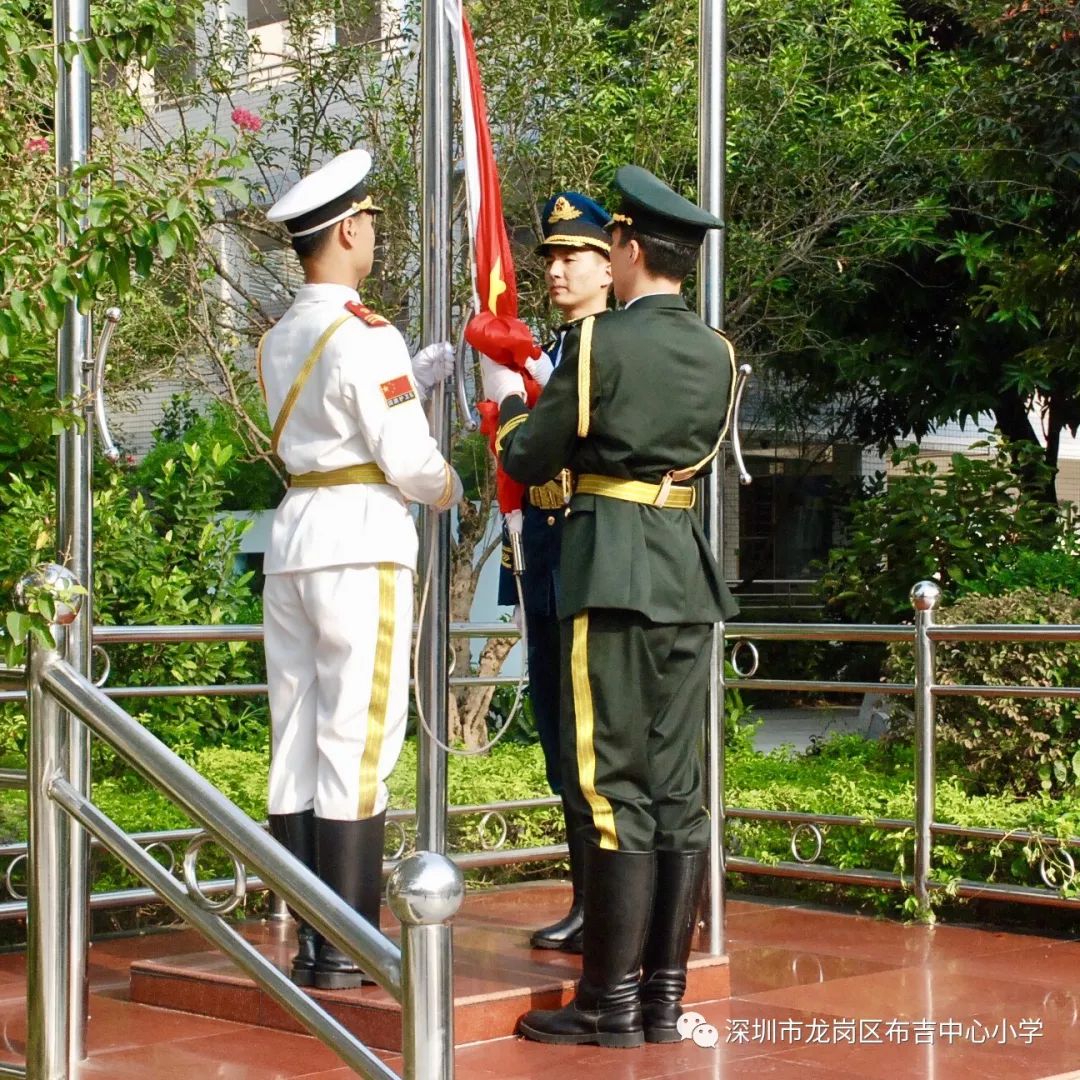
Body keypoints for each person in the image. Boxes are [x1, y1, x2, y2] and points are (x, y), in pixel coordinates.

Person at [481, 164, 738, 1048]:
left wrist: (513, 407)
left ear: (627, 248)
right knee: (678, 791)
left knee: (607, 785)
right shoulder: (719, 352)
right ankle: (662, 1001)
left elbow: (528, 455)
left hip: (612, 568)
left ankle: (606, 1004)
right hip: (685, 568)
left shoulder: (599, 346)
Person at [259, 148, 462, 989]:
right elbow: (409, 463)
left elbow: (331, 421)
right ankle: (346, 947)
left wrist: (404, 384)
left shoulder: (281, 335)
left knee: (298, 740)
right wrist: (451, 485)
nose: (375, 231)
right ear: (346, 230)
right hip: (361, 541)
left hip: (295, 538)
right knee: (359, 741)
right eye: (371, 220)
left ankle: (311, 941)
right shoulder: (369, 333)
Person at [496, 191, 613, 954]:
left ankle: (610, 904)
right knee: (556, 740)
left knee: (591, 743)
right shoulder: (568, 349)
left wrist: (510, 406)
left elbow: (546, 444)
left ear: (612, 264)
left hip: (588, 559)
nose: (558, 270)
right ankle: (587, 899)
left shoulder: (607, 346)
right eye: (551, 258)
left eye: (575, 255)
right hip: (547, 561)